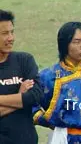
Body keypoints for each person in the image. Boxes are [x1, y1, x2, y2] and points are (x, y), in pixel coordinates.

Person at [32, 22, 81, 144]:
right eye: (77, 42)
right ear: (64, 45)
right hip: (63, 138)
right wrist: (48, 120)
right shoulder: (48, 76)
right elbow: (31, 104)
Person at [0, 9, 43, 144]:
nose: (11, 38)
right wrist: (19, 96)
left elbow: (35, 96)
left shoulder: (24, 60)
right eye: (4, 33)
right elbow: (26, 99)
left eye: (12, 32)